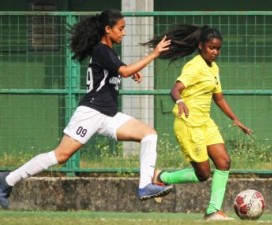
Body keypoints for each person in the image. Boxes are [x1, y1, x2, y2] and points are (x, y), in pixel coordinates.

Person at [0, 9, 174, 208]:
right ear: (108, 29)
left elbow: (119, 68)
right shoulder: (101, 50)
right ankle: (7, 181)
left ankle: (145, 186)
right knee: (61, 156)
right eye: (121, 28)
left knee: (149, 134)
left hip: (108, 115)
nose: (123, 32)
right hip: (91, 113)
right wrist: (154, 54)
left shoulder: (107, 52)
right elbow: (124, 72)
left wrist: (128, 69)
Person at [142, 25, 252, 221]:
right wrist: (181, 101)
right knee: (203, 174)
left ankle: (213, 211)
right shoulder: (194, 66)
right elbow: (174, 90)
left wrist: (236, 119)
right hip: (188, 123)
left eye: (218, 49)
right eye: (211, 48)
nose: (215, 52)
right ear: (201, 46)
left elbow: (218, 98)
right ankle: (162, 177)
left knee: (224, 162)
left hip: (205, 123)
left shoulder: (214, 68)